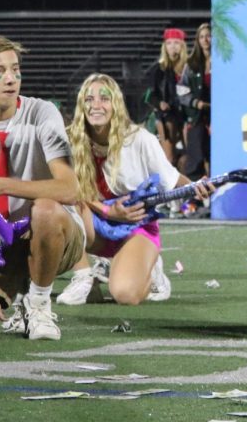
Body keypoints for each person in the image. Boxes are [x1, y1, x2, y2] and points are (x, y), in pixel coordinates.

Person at [56, 74, 212, 307]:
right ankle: (83, 276)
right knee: (59, 203)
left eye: (104, 99)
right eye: (89, 99)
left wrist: (194, 186)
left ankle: (151, 271)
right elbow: (67, 189)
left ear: (116, 104)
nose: (96, 105)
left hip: (134, 226)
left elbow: (170, 176)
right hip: (95, 226)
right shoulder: (70, 140)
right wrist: (107, 212)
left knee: (125, 295)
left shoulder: (139, 139)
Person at [0, 36, 85, 340]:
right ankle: (10, 295)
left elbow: (69, 189)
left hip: (49, 234)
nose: (10, 78)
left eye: (15, 69)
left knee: (45, 209)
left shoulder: (42, 113)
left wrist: (1, 186)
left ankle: (39, 304)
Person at [148, 28, 188, 167]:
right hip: (167, 115)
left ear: (182, 46)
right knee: (168, 159)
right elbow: (150, 95)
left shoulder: (188, 68)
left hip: (186, 114)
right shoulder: (158, 69)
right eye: (169, 43)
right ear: (165, 46)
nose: (172, 46)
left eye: (176, 43)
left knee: (189, 157)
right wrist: (160, 103)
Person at [180, 23, 212, 186]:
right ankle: (194, 201)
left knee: (215, 157)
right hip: (197, 116)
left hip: (218, 116)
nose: (205, 40)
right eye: (201, 37)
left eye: (208, 35)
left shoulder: (225, 61)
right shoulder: (191, 64)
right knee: (195, 158)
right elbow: (181, 90)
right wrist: (195, 103)